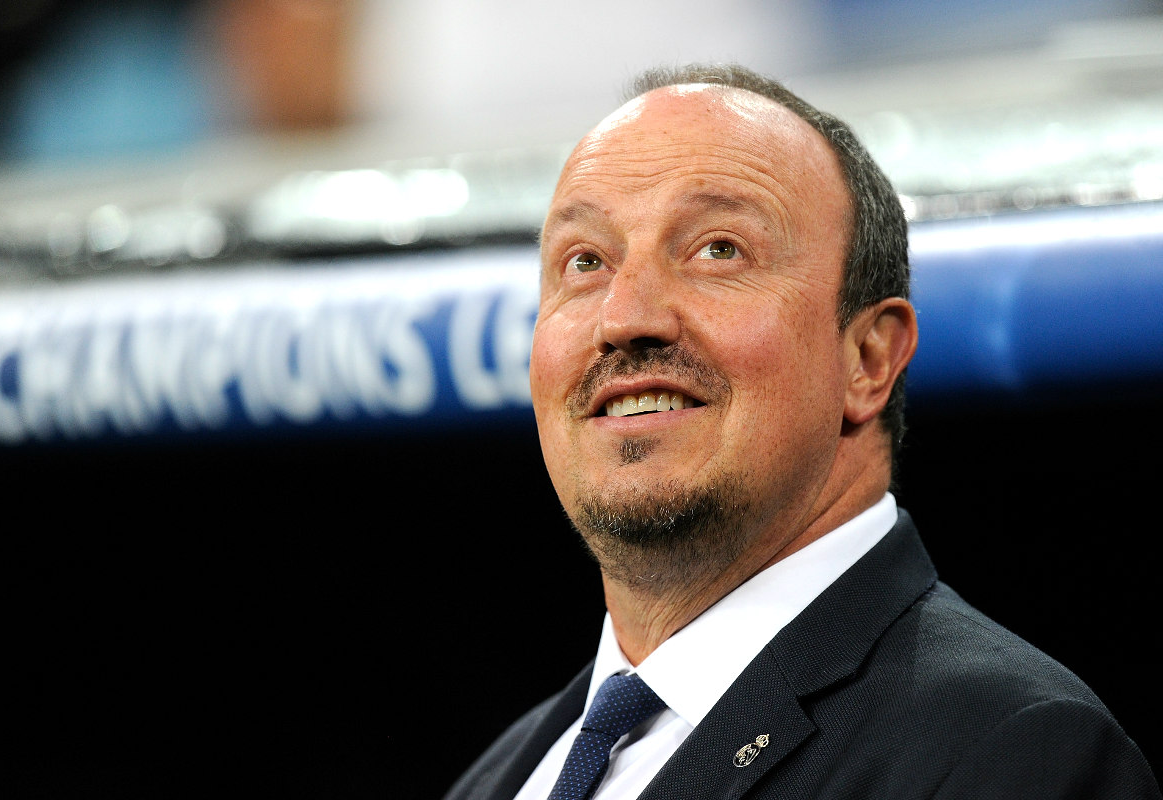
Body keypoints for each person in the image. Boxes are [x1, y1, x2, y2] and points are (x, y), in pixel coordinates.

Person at [443, 62, 1161, 800]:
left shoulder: (1011, 753)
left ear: (867, 359)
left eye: (718, 250)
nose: (626, 317)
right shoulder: (500, 779)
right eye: (584, 262)